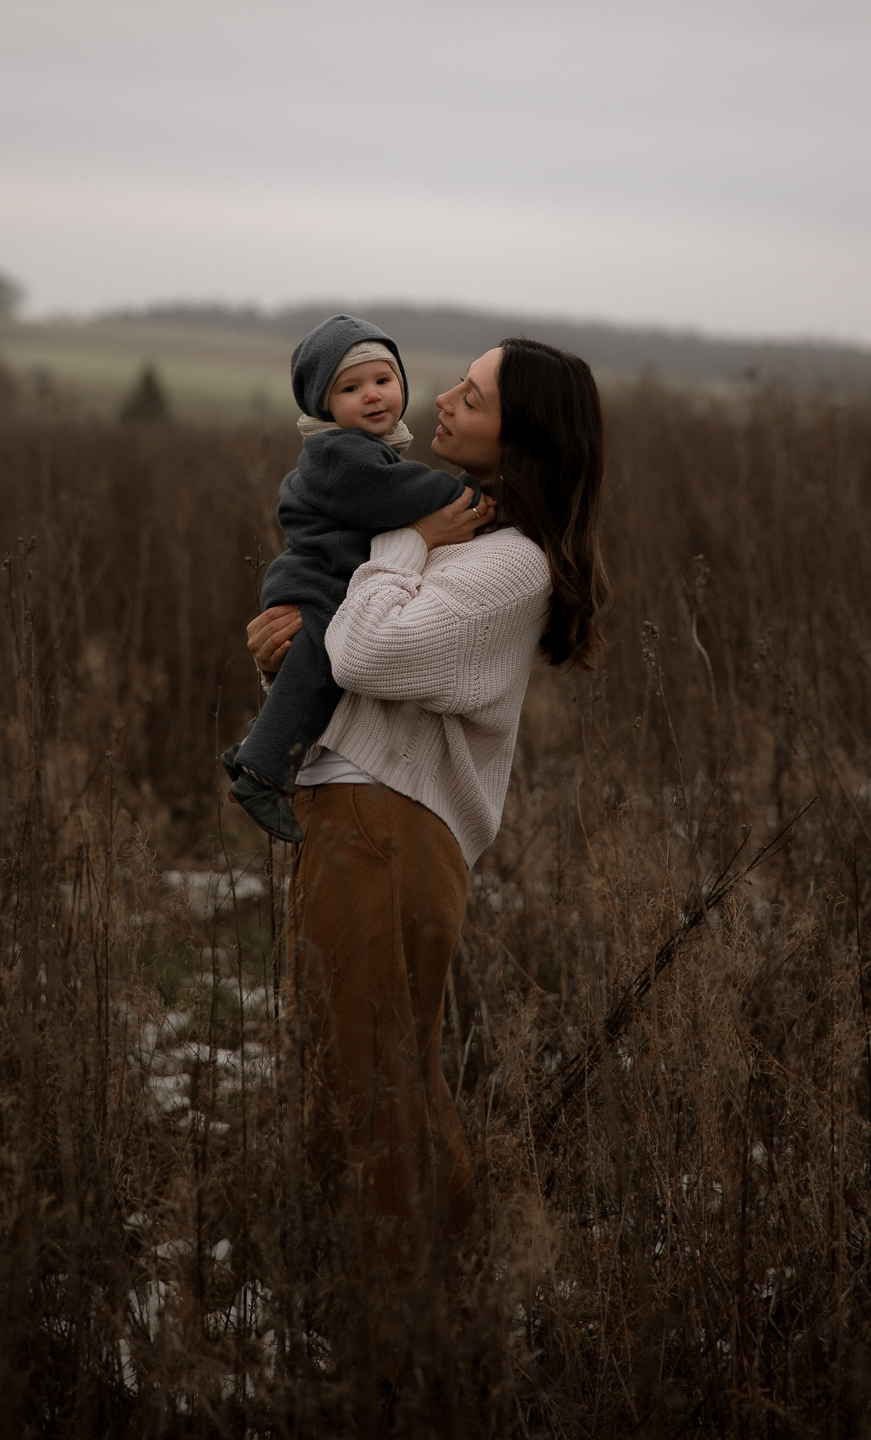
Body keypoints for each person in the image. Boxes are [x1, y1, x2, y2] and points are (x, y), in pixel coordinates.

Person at [244, 336, 608, 1344]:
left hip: (389, 828)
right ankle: (377, 1315)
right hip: (357, 814)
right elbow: (354, 657)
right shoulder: (464, 535)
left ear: (520, 433)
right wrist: (286, 641)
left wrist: (400, 535)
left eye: (475, 394)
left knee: (373, 1086)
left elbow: (368, 644)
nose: (440, 395)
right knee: (348, 1075)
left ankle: (412, 1328)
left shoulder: (505, 562)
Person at [222, 313, 483, 843]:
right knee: (319, 663)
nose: (372, 396)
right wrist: (467, 495)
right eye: (350, 387)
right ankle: (260, 775)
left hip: (328, 574)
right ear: (323, 403)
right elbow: (400, 493)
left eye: (383, 380)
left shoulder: (362, 449)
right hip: (317, 581)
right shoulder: (342, 455)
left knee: (314, 676)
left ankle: (256, 745)